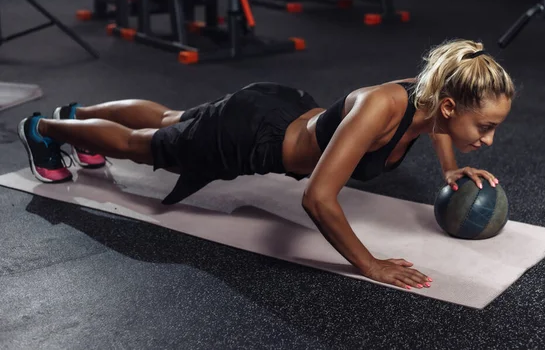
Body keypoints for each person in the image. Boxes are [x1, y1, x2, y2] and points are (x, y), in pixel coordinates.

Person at [18, 39, 515, 291]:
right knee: (145, 145)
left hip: (277, 108)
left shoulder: (432, 97)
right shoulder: (382, 107)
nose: (488, 140)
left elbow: (435, 127)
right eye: (485, 127)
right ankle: (44, 129)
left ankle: (76, 115)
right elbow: (317, 198)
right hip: (250, 135)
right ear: (451, 107)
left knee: (174, 119)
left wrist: (450, 170)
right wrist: (370, 265)